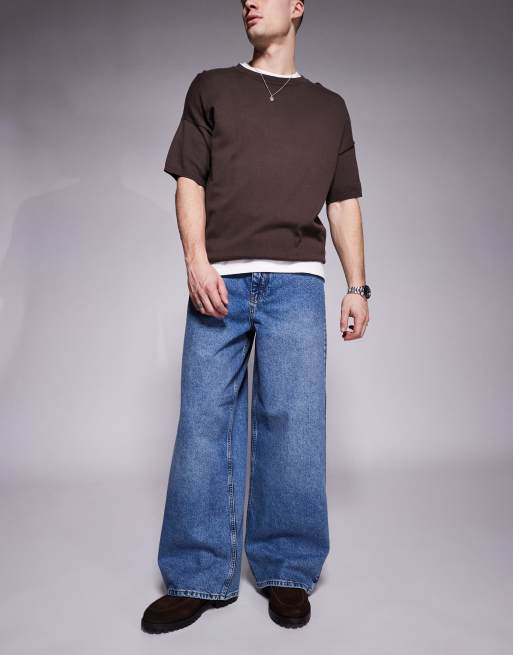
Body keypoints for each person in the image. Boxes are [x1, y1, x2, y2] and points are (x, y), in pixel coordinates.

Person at [141, 0, 370, 633]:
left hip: (298, 284)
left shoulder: (330, 107)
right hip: (220, 278)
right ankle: (197, 574)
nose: (249, 2)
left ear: (297, 7)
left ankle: (286, 570)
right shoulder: (211, 87)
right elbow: (189, 179)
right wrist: (196, 261)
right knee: (203, 425)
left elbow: (344, 200)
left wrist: (358, 286)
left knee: (294, 425)